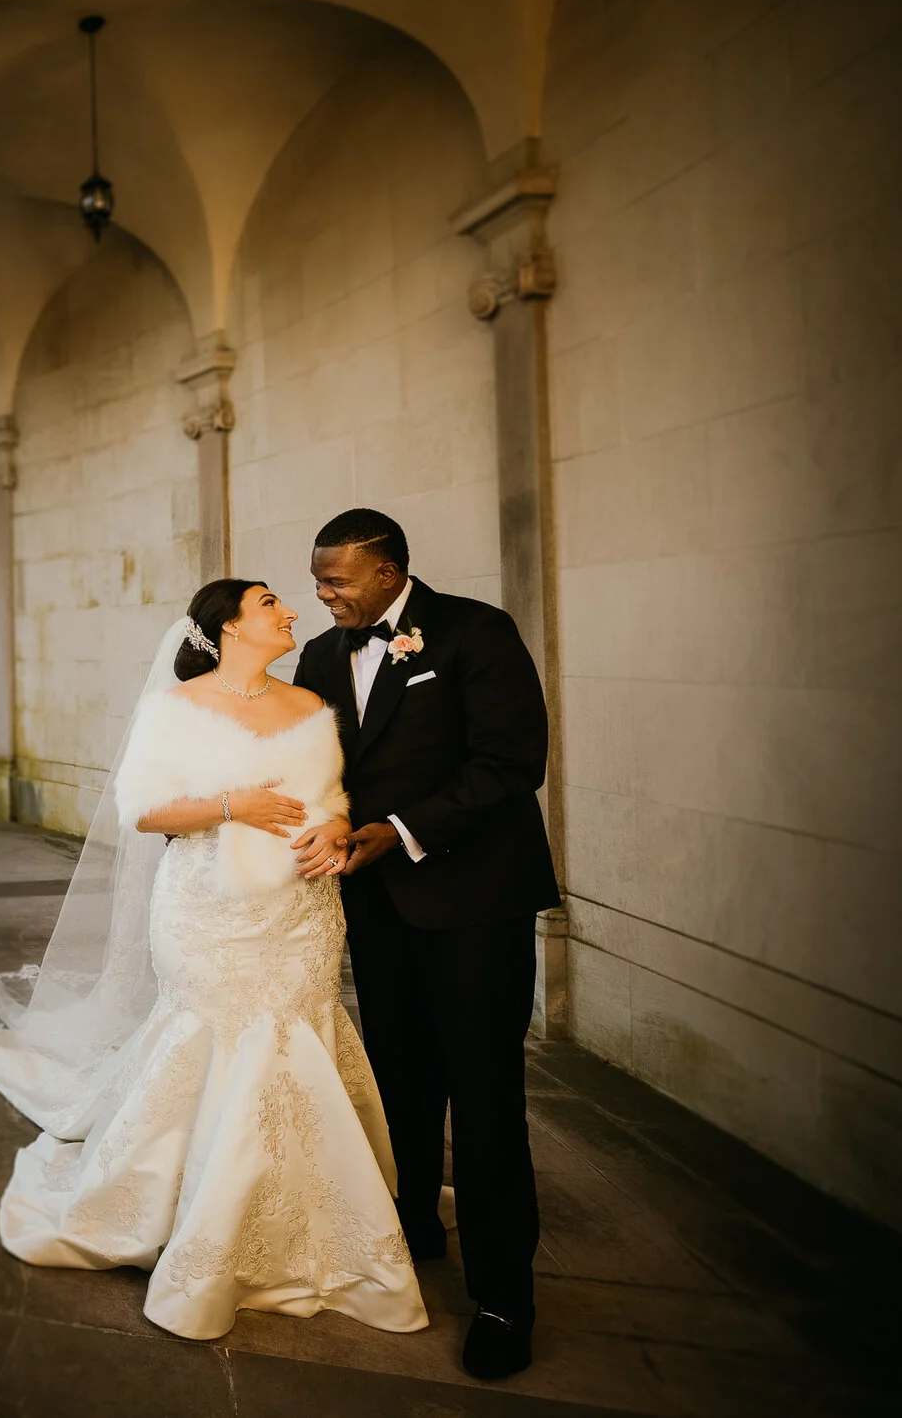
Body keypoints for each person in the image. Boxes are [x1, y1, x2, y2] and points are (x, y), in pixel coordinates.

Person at [0, 578, 427, 1341]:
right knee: (222, 1035)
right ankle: (194, 1217)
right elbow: (143, 810)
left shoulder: (309, 705)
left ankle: (309, 1215)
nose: (290, 611)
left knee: (299, 1035)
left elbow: (335, 798)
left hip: (302, 910)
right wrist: (232, 804)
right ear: (230, 625)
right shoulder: (176, 708)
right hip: (207, 911)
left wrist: (337, 829)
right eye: (269, 602)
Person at [295, 509, 560, 1380]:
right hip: (378, 910)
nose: (323, 594)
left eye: (336, 579)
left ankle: (503, 1299)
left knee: (484, 1099)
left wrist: (401, 829)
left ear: (388, 571)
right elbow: (317, 769)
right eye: (317, 579)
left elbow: (511, 761)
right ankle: (412, 1228)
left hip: (475, 904)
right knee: (399, 1085)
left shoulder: (476, 632)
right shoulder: (321, 657)